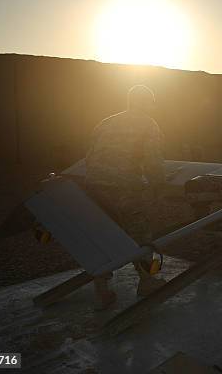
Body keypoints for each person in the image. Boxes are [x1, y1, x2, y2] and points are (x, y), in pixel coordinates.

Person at [85, 84, 166, 309]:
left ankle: (102, 290)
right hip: (125, 188)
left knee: (102, 234)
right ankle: (147, 281)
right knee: (140, 234)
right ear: (148, 103)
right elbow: (153, 162)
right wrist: (159, 187)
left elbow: (90, 157)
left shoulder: (106, 122)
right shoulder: (148, 124)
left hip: (94, 187)